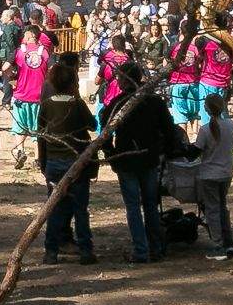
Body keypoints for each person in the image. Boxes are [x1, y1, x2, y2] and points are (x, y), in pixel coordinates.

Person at [105, 65, 175, 262]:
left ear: (125, 80)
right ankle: (155, 248)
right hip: (149, 158)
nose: (117, 81)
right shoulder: (154, 101)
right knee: (150, 205)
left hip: (128, 160)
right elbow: (169, 130)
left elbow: (105, 129)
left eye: (119, 78)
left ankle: (141, 250)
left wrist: (112, 154)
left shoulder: (120, 103)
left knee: (134, 206)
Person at [37, 61, 98, 265]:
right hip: (77, 162)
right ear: (73, 83)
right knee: (81, 209)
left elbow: (41, 136)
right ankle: (86, 251)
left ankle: (51, 251)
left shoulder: (46, 105)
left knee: (54, 208)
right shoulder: (77, 104)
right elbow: (93, 124)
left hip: (53, 162)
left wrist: (43, 163)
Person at [195, 92, 233, 260]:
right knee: (222, 207)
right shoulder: (231, 125)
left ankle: (218, 245)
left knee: (212, 210)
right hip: (226, 173)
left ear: (206, 109)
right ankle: (229, 242)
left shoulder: (205, 130)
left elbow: (196, 151)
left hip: (209, 175)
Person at [10, 25, 52, 170]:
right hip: (39, 96)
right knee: (36, 128)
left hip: (21, 94)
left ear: (29, 35)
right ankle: (37, 158)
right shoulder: (44, 52)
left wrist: (12, 77)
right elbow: (52, 69)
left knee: (19, 126)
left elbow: (4, 68)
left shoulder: (19, 51)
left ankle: (20, 150)